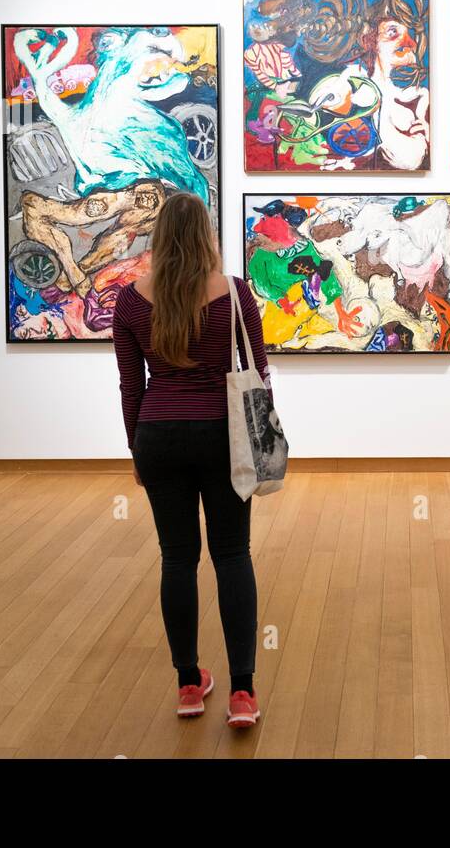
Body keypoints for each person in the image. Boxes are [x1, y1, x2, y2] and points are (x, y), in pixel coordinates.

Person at [112, 191, 269, 728]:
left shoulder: (131, 302)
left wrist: (136, 448)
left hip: (159, 435)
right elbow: (260, 375)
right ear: (206, 234)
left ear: (158, 237)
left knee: (177, 559)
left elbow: (131, 385)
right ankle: (242, 693)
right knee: (232, 555)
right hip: (223, 439)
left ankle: (187, 683)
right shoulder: (233, 293)